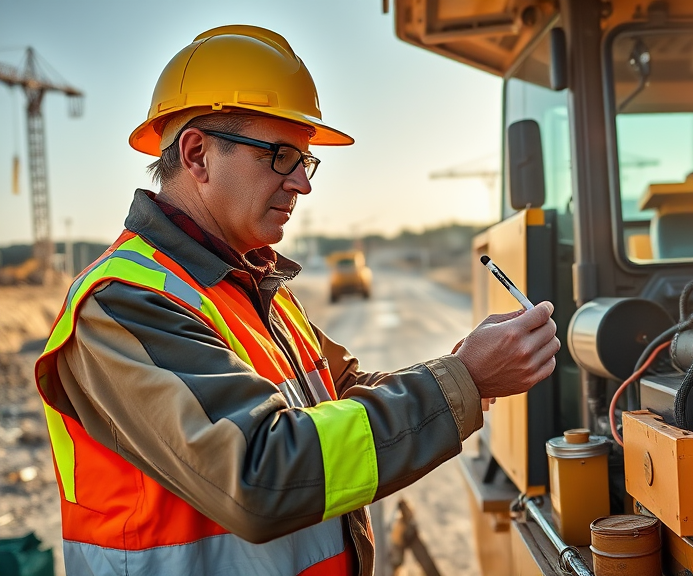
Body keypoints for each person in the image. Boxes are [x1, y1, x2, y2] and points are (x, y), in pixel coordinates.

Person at [34, 25, 558, 576]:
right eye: (281, 156)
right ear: (197, 154)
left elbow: (342, 397)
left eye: (305, 162)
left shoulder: (250, 284)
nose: (302, 185)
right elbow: (259, 475)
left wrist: (465, 369)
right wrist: (464, 381)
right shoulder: (123, 304)